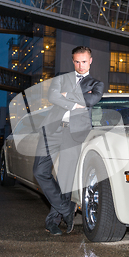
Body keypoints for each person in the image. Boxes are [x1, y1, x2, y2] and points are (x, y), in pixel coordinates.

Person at [33, 46, 104, 235]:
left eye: (84, 61)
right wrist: (75, 102)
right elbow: (52, 96)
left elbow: (91, 100)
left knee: (65, 179)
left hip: (74, 134)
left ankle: (52, 222)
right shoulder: (61, 77)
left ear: (90, 60)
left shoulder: (97, 84)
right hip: (52, 129)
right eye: (77, 61)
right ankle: (66, 210)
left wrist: (65, 97)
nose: (80, 65)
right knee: (39, 171)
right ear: (73, 61)